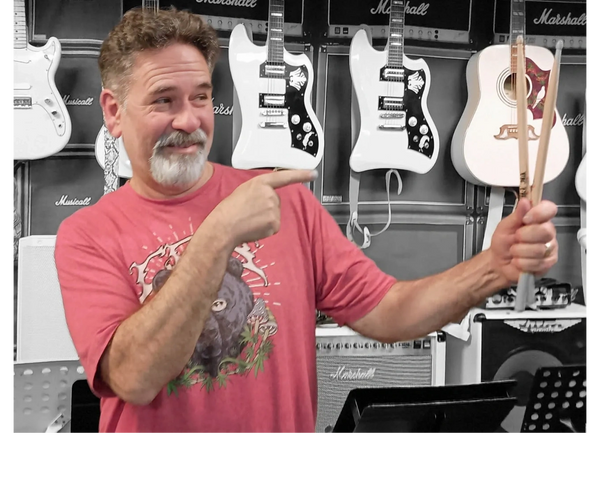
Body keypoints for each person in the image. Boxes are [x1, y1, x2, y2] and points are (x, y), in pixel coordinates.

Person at [54, 6, 559, 436]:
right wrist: (218, 235)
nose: (189, 120)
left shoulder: (285, 202)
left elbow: (389, 311)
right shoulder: (87, 236)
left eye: (201, 97)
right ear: (114, 112)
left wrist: (493, 267)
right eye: (164, 100)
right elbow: (134, 378)